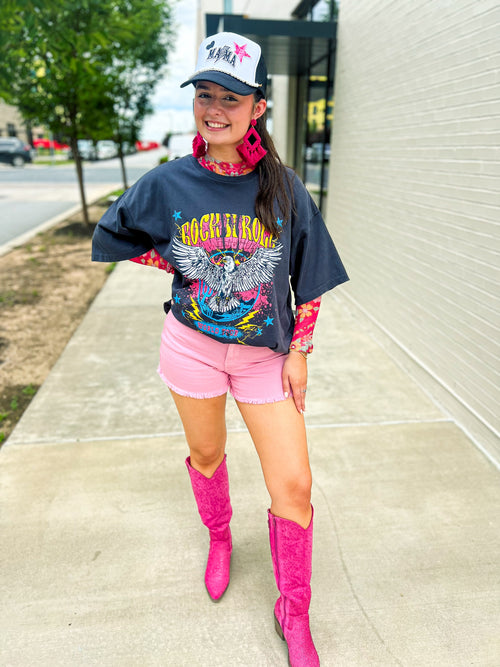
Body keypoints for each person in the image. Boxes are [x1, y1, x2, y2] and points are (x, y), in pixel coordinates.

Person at [92, 31, 348, 667]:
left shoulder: (285, 188)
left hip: (265, 356)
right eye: (206, 94)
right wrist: (181, 266)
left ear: (257, 107)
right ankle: (219, 538)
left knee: (294, 484)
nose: (216, 108)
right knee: (207, 454)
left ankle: (293, 608)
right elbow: (113, 234)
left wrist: (300, 350)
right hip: (192, 349)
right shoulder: (169, 182)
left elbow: (309, 273)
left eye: (231, 96)